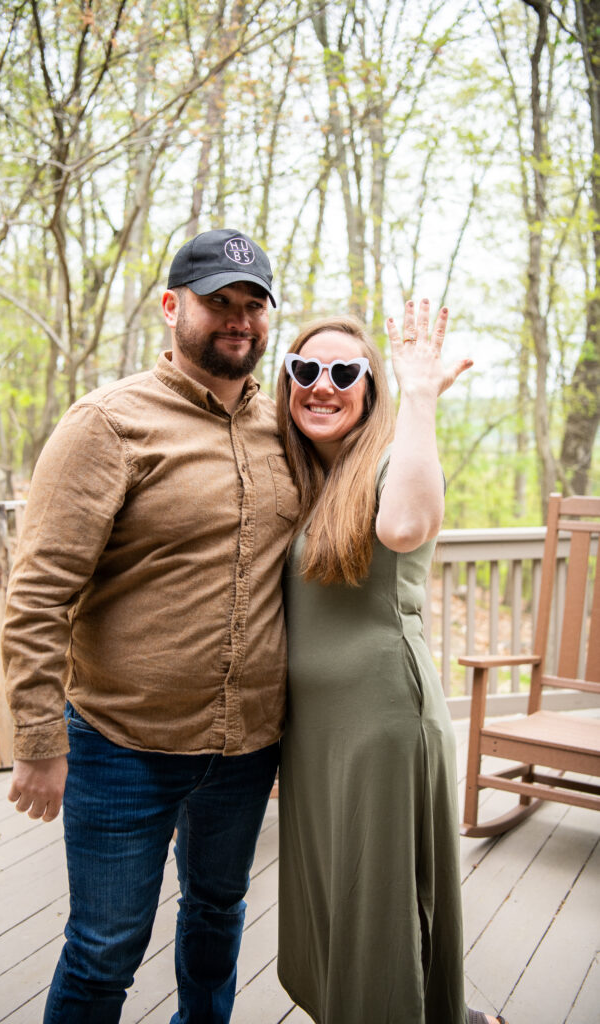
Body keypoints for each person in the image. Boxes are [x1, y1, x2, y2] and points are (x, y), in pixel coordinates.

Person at [2, 228, 300, 1024]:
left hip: (246, 749)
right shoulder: (106, 424)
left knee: (216, 918)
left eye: (252, 305)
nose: (237, 320)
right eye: (217, 302)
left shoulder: (284, 430)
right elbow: (37, 595)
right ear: (173, 307)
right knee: (103, 950)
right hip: (121, 746)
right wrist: (38, 742)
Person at [274, 302, 508, 1024]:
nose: (323, 383)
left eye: (346, 371)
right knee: (332, 900)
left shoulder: (388, 457)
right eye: (305, 369)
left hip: (381, 723)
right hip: (313, 733)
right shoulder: (302, 476)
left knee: (379, 903)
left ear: (369, 388)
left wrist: (420, 395)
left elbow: (404, 526)